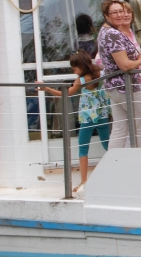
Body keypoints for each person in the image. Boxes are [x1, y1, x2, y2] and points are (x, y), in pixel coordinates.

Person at [37, 50, 111, 192]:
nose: (74, 72)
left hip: (87, 118)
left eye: (75, 69)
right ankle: (116, 173)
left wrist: (47, 88)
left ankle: (84, 181)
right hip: (102, 116)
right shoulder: (101, 75)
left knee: (83, 150)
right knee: (108, 146)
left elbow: (66, 93)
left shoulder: (80, 81)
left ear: (81, 66)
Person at [97, 0, 141, 149]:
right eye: (114, 12)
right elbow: (124, 65)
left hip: (114, 87)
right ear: (106, 15)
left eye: (121, 11)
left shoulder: (105, 31)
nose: (119, 15)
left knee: (120, 127)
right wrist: (140, 59)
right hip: (126, 87)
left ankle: (115, 162)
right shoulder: (113, 34)